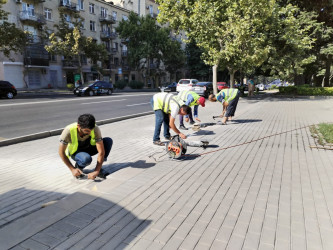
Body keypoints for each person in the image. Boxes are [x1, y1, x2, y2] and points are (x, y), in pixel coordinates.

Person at [58, 114, 113, 179]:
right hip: (76, 152)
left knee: (108, 141)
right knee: (86, 159)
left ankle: (99, 168)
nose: (89, 133)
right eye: (86, 131)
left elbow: (101, 152)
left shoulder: (95, 128)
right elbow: (61, 152)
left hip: (89, 148)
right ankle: (78, 167)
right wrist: (72, 169)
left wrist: (97, 171)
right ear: (79, 126)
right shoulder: (68, 131)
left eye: (91, 130)